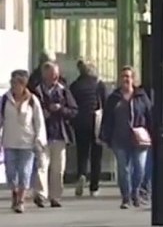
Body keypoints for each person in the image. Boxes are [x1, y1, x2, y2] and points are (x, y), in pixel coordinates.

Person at [99, 66, 153, 209]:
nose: (126, 79)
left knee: (140, 167)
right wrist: (105, 136)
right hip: (119, 139)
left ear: (133, 79)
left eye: (128, 76)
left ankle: (136, 192)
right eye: (123, 76)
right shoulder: (114, 98)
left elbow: (150, 115)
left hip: (139, 139)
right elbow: (107, 118)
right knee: (124, 169)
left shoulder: (141, 96)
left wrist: (152, 133)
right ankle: (126, 197)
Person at [31, 61, 77, 208]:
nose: (54, 77)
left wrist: (60, 109)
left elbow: (74, 110)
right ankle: (41, 194)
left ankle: (55, 196)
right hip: (42, 134)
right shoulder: (36, 91)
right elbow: (30, 111)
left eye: (56, 74)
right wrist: (43, 112)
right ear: (44, 75)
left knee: (58, 168)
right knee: (42, 165)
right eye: (51, 74)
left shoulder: (63, 90)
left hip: (60, 133)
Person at [0, 70, 46, 213]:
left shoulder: (32, 100)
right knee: (11, 172)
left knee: (25, 172)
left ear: (23, 85)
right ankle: (14, 191)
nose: (13, 86)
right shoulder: (5, 100)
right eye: (12, 83)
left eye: (16, 84)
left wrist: (39, 138)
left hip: (27, 142)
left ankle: (21, 200)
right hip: (9, 141)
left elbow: (39, 121)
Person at [68, 60, 109, 197]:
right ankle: (94, 186)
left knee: (82, 153)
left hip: (80, 122)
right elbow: (105, 103)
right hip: (96, 121)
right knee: (96, 155)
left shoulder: (75, 86)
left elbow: (71, 104)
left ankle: (82, 174)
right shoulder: (99, 85)